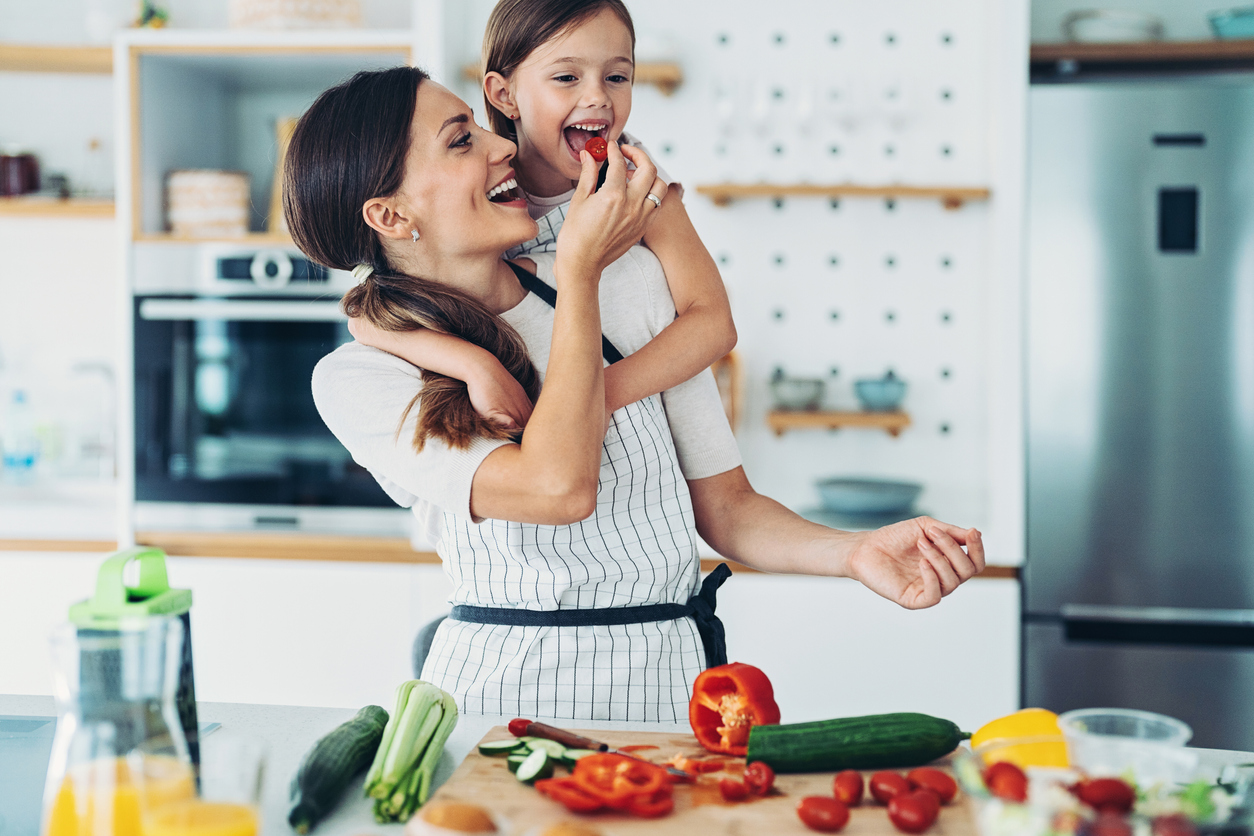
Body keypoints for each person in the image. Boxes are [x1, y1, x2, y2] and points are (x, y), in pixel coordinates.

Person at [289, 67, 985, 722]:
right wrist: (579, 274)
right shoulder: (362, 379)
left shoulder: (632, 287)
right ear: (390, 216)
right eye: (463, 140)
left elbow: (728, 509)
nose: (504, 147)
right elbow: (559, 488)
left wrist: (853, 553)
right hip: (498, 702)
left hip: (673, 691)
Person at [347, 0, 735, 434]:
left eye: (617, 77)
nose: (597, 97)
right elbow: (372, 314)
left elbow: (714, 323)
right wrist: (471, 364)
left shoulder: (635, 180)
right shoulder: (479, 192)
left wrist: (594, 396)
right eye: (567, 77)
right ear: (503, 94)